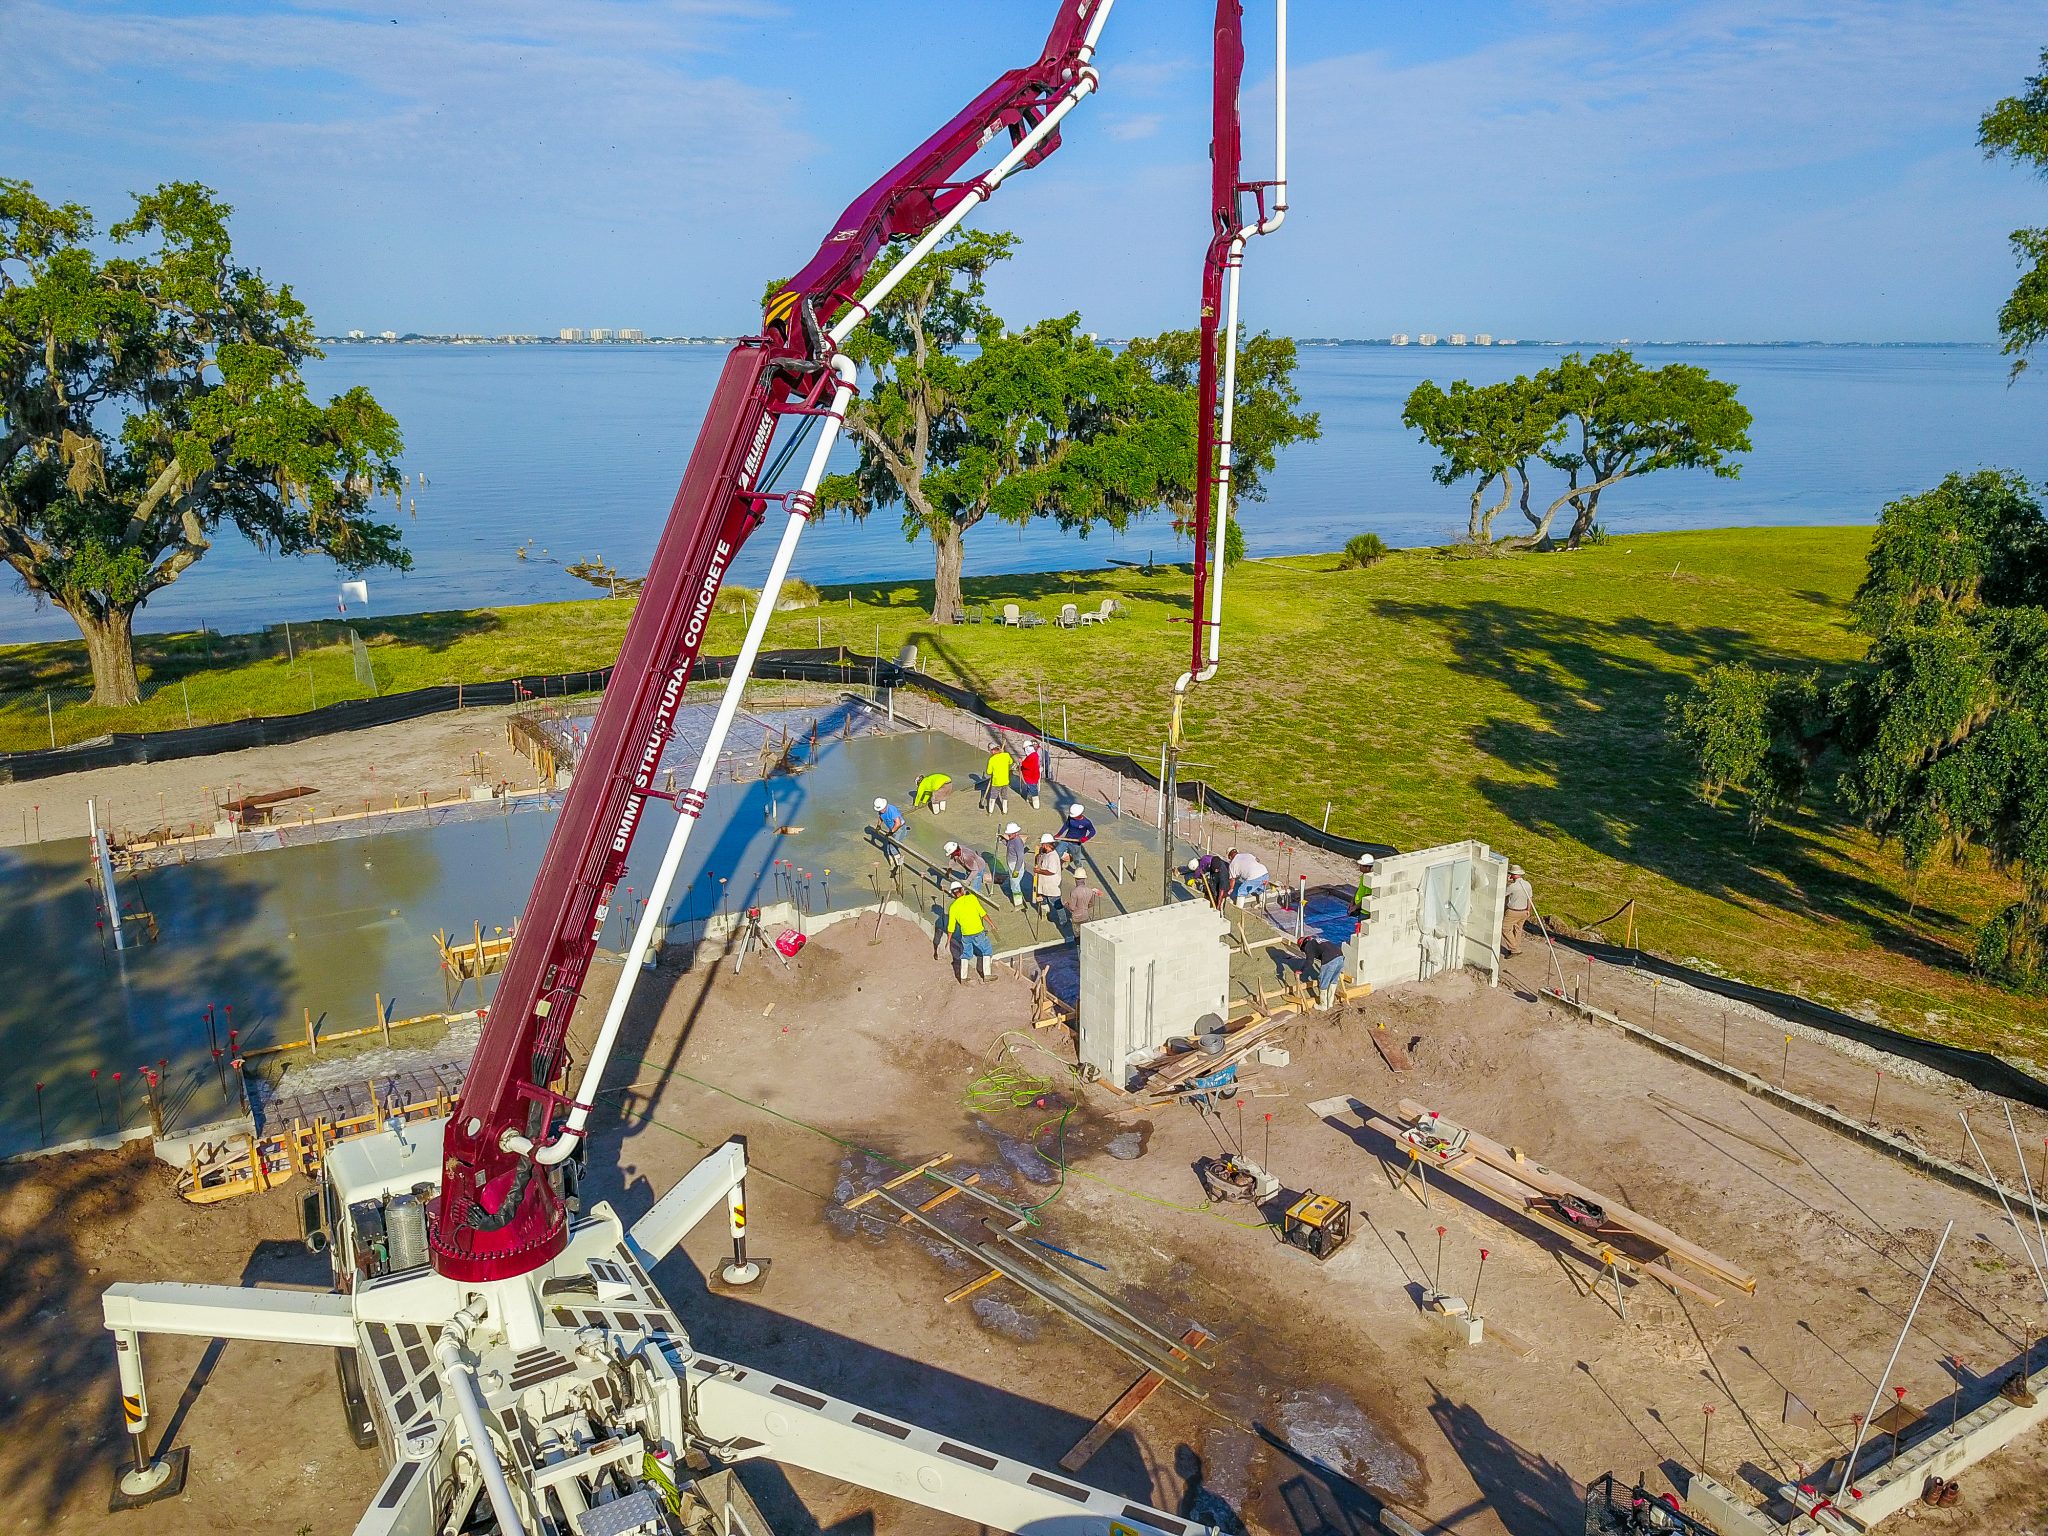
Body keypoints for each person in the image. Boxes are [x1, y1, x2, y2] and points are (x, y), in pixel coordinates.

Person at [946, 879, 993, 982]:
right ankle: (987, 975)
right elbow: (983, 913)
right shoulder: (972, 898)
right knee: (987, 950)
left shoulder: (953, 907)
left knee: (966, 954)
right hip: (978, 932)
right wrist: (992, 924)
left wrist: (948, 941)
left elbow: (951, 927)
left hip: (966, 935)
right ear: (962, 890)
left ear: (953, 894)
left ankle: (963, 977)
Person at [1300, 932, 1346, 1010]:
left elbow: (1309, 961)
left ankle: (1323, 1005)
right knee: (1333, 981)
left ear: (1302, 945)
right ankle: (1330, 1003)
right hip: (1340, 957)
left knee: (1323, 981)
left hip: (1330, 959)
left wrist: (1301, 970)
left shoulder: (1308, 945)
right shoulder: (1318, 941)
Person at [1503, 862, 1534, 956]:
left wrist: (1506, 882)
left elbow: (1502, 893)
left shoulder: (1512, 887)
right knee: (1518, 929)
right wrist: (1528, 910)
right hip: (1524, 911)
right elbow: (1530, 898)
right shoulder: (1527, 884)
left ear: (1513, 875)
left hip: (1513, 912)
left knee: (1505, 928)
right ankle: (1515, 947)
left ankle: (1514, 949)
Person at [1032, 832, 1065, 920]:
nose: (1042, 846)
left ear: (1046, 845)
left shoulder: (1053, 856)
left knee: (1057, 904)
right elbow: (1040, 860)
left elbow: (1051, 871)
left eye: (1043, 845)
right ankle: (1045, 916)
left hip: (1051, 886)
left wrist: (1039, 871)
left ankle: (1063, 920)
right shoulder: (1045, 854)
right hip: (1043, 885)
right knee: (1043, 901)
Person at [872, 796, 907, 870]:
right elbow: (880, 817)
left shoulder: (891, 810)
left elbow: (898, 823)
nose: (880, 811)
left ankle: (899, 865)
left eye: (881, 809)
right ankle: (893, 864)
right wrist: (878, 826)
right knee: (888, 848)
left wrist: (891, 832)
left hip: (900, 829)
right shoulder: (881, 811)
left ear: (884, 806)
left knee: (893, 847)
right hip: (892, 829)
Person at [1000, 821, 1029, 908]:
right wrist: (1003, 840)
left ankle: (1018, 903)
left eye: (1010, 834)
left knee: (1015, 885)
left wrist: (1016, 870)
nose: (1008, 836)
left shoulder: (1018, 842)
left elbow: (1020, 857)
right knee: (1014, 883)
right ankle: (1018, 901)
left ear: (1015, 833)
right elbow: (1009, 846)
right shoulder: (1012, 840)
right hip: (1011, 864)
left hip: (1016, 865)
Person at [983, 742, 1014, 814]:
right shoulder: (1006, 755)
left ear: (992, 750)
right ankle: (1005, 811)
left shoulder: (992, 760)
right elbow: (1011, 762)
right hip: (1005, 781)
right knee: (1004, 796)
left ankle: (990, 811)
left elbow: (989, 772)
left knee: (993, 796)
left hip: (996, 782)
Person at [1018, 740, 1043, 809]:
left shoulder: (1033, 756)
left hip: (1031, 776)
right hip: (1031, 776)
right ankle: (1028, 798)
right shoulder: (1032, 755)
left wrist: (1022, 762)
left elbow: (1028, 766)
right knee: (1029, 788)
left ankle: (1036, 804)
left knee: (1033, 789)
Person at [1351, 852, 1375, 917]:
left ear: (1367, 867)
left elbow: (1367, 896)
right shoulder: (1363, 876)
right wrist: (1352, 902)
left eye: (1361, 865)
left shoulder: (1369, 880)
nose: (1360, 867)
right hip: (1359, 907)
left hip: (1364, 911)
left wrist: (1356, 907)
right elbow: (1359, 889)